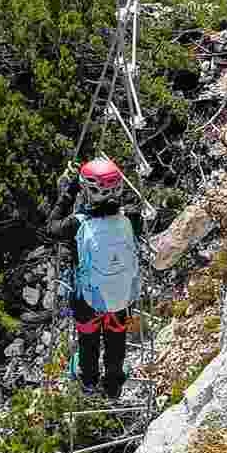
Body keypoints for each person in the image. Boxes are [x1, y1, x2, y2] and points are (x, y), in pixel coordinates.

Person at [46, 157, 143, 399]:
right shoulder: (129, 218)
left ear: (88, 190)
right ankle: (113, 385)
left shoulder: (77, 223)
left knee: (88, 341)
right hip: (121, 295)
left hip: (87, 299)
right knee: (116, 339)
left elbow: (51, 227)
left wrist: (69, 192)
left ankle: (89, 381)